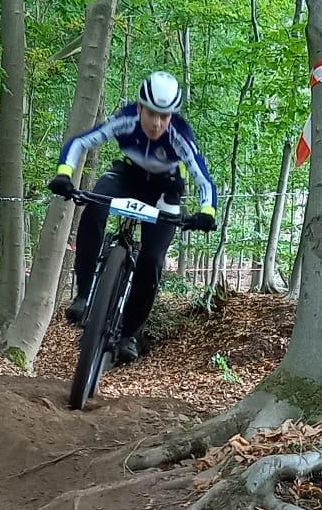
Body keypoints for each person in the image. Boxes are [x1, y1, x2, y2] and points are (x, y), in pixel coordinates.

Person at [48, 70, 218, 362]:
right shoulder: (125, 118)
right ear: (140, 107)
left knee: (152, 260)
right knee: (94, 208)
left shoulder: (180, 135)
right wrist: (64, 174)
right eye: (151, 113)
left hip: (165, 189)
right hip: (127, 176)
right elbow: (80, 142)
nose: (157, 123)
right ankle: (84, 294)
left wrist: (207, 211)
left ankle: (129, 334)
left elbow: (204, 178)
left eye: (165, 116)